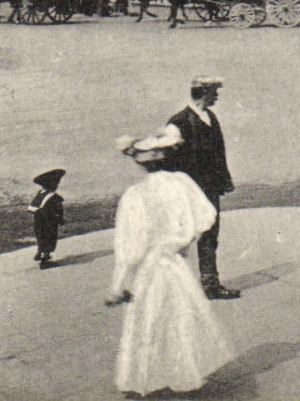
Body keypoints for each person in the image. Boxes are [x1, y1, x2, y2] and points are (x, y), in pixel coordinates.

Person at [107, 134, 236, 398]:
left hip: (149, 269)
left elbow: (130, 248)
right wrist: (185, 240)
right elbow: (206, 216)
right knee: (179, 321)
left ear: (141, 164)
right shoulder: (183, 183)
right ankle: (183, 378)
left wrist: (118, 285)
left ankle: (147, 380)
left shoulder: (136, 195)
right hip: (176, 264)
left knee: (148, 323)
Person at [150, 76, 240, 300]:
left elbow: (219, 152)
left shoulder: (211, 117)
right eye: (214, 92)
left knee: (210, 233)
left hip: (209, 189)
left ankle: (210, 284)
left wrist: (224, 179)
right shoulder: (178, 123)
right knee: (182, 236)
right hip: (187, 190)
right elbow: (167, 161)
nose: (217, 96)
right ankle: (160, 284)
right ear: (204, 93)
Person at [29, 168, 66, 268]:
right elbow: (59, 210)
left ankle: (40, 253)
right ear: (53, 185)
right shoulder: (54, 197)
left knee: (41, 238)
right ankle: (44, 261)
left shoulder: (40, 194)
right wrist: (60, 219)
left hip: (38, 222)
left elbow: (32, 208)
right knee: (49, 239)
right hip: (50, 223)